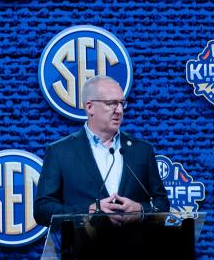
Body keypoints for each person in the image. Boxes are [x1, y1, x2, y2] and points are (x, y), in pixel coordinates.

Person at [34, 75, 169, 226]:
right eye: (111, 103)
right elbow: (42, 210)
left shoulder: (142, 150)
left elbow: (162, 204)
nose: (119, 110)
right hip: (83, 246)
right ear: (90, 107)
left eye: (121, 103)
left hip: (134, 246)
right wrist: (88, 212)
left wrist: (141, 210)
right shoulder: (59, 152)